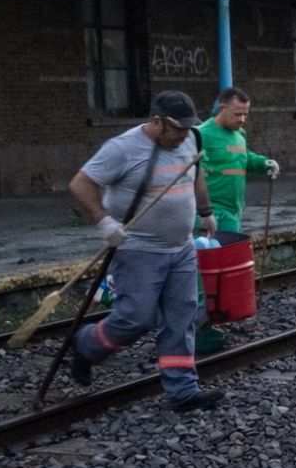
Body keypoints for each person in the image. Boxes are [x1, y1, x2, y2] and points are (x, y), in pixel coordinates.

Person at [66, 90, 224, 412]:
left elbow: (195, 174)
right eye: (177, 129)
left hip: (182, 248)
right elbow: (80, 184)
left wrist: (205, 212)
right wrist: (104, 222)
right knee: (136, 318)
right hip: (139, 250)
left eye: (186, 128)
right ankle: (85, 344)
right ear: (156, 122)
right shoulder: (122, 149)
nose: (183, 135)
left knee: (182, 318)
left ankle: (183, 393)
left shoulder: (190, 140)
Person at [196, 86, 279, 233]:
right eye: (237, 114)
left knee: (231, 253)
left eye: (245, 115)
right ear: (223, 108)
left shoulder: (240, 134)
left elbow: (244, 156)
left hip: (233, 211)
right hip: (206, 211)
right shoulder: (201, 134)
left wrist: (263, 163)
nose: (242, 119)